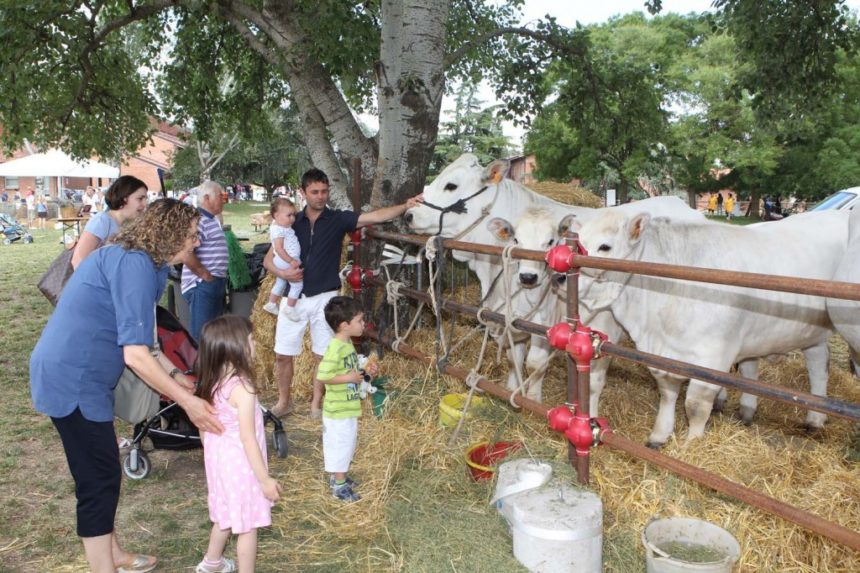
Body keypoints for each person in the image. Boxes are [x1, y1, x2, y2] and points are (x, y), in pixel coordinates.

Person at [29, 199, 223, 573]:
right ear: (170, 233)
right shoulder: (133, 263)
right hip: (72, 376)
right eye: (193, 235)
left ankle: (113, 553)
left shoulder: (152, 266)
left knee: (103, 471)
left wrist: (178, 375)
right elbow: (134, 355)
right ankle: (104, 567)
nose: (197, 243)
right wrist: (188, 402)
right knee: (98, 477)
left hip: (88, 377)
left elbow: (146, 340)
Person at [263, 168, 423, 418]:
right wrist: (283, 275)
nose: (320, 196)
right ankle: (284, 402)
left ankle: (317, 404)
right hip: (292, 298)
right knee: (283, 354)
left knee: (321, 355)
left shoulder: (338, 219)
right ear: (303, 192)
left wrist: (405, 205)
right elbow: (268, 260)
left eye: (324, 191)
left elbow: (375, 217)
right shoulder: (291, 222)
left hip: (325, 298)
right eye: (314, 192)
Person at [195, 315, 281, 573]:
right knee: (247, 526)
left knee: (226, 513)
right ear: (237, 348)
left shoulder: (211, 383)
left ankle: (212, 563)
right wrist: (264, 479)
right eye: (252, 340)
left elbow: (204, 429)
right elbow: (248, 437)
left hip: (219, 463)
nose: (255, 345)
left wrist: (213, 454)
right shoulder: (243, 389)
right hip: (242, 467)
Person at [318, 297, 378, 502]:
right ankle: (339, 486)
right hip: (337, 410)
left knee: (347, 444)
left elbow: (348, 370)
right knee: (341, 445)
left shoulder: (347, 344)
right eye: (360, 321)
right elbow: (323, 375)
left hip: (348, 406)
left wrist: (363, 370)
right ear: (345, 325)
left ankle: (339, 478)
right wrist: (350, 378)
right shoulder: (336, 348)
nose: (363, 324)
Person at [181, 180, 228, 341]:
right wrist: (204, 274)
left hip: (212, 282)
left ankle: (210, 366)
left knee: (213, 336)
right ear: (207, 198)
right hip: (202, 284)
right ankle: (199, 366)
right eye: (220, 196)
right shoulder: (199, 220)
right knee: (202, 337)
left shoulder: (211, 219)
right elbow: (185, 251)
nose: (223, 199)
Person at [71, 176, 149, 269]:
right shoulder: (102, 221)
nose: (145, 204)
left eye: (145, 199)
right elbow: (78, 261)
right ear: (124, 198)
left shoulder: (129, 225)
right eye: (140, 199)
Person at [262, 197, 302, 318]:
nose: (292, 218)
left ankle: (271, 303)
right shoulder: (278, 230)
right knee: (297, 284)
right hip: (286, 260)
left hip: (283, 261)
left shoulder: (282, 227)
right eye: (288, 215)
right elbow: (279, 249)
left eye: (293, 215)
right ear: (276, 215)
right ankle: (290, 308)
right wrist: (291, 261)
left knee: (281, 282)